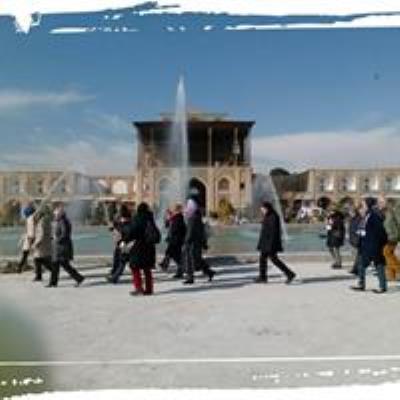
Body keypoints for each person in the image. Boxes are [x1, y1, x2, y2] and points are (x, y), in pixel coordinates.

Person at [351, 198, 388, 294]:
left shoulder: (373, 216)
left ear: (368, 205)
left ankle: (382, 286)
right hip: (366, 245)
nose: (362, 207)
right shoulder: (367, 216)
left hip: (373, 245)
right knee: (362, 264)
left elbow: (381, 232)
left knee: (378, 265)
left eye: (363, 205)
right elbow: (364, 229)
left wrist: (379, 244)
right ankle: (362, 284)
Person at [256, 201, 296, 284]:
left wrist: (271, 245)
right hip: (265, 243)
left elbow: (274, 232)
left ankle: (290, 274)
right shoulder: (268, 215)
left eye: (263, 209)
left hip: (270, 244)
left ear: (267, 208)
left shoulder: (273, 216)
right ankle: (263, 277)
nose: (262, 211)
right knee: (262, 259)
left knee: (274, 260)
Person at [48, 203, 85, 288]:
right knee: (55, 265)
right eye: (55, 212)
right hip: (58, 247)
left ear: (60, 213)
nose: (54, 214)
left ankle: (79, 278)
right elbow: (57, 233)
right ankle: (53, 283)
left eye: (56, 212)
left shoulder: (63, 221)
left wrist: (56, 239)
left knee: (64, 265)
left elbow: (64, 234)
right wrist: (52, 237)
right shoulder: (59, 221)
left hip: (62, 248)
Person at [128, 202, 160, 295]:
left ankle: (139, 288)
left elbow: (133, 232)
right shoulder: (150, 219)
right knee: (147, 268)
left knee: (135, 268)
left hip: (138, 246)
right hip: (149, 246)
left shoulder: (137, 218)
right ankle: (149, 289)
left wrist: (126, 239)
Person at [183, 197, 215, 285]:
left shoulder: (193, 217)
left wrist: (186, 240)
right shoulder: (196, 215)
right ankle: (209, 272)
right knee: (196, 259)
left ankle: (190, 278)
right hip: (195, 241)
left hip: (192, 242)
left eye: (188, 205)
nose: (187, 207)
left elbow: (191, 231)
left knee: (190, 259)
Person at [107, 204, 132, 284]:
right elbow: (117, 227)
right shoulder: (122, 219)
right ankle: (114, 273)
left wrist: (115, 227)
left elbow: (124, 231)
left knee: (122, 260)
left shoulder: (126, 221)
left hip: (124, 243)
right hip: (121, 242)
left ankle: (115, 277)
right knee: (118, 258)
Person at [163, 204, 187, 278]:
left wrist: (170, 218)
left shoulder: (179, 217)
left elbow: (175, 229)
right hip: (174, 239)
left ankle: (180, 268)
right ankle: (166, 264)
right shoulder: (175, 217)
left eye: (174, 209)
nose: (173, 210)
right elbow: (167, 225)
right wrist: (168, 217)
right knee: (170, 253)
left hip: (176, 240)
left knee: (174, 254)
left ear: (177, 210)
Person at [32, 205, 53, 282]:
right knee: (39, 259)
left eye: (37, 214)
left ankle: (53, 271)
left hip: (41, 244)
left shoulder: (42, 222)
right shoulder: (47, 220)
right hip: (45, 243)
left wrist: (36, 243)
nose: (36, 216)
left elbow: (41, 234)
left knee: (41, 259)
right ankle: (39, 276)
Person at [383, 199, 400, 281]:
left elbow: (397, 223)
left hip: (393, 236)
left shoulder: (394, 212)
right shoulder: (389, 213)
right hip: (390, 236)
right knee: (389, 254)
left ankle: (398, 270)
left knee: (387, 252)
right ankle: (391, 275)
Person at [17, 203, 36, 273]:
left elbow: (29, 231)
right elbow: (29, 231)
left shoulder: (30, 219)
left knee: (26, 254)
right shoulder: (31, 219)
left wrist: (24, 240)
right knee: (31, 255)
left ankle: (19, 268)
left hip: (29, 239)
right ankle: (20, 267)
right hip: (30, 239)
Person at [348, 205, 363, 275]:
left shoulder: (358, 219)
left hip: (357, 239)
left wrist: (357, 236)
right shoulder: (353, 219)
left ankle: (356, 269)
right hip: (354, 239)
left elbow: (359, 229)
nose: (349, 213)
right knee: (357, 255)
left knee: (357, 256)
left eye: (350, 212)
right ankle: (356, 269)